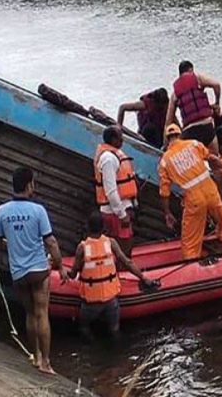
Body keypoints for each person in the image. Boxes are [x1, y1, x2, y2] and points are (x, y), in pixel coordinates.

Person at [0, 167, 68, 375]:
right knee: (42, 313)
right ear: (28, 185)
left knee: (30, 313)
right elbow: (51, 242)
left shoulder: (2, 211)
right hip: (38, 270)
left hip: (18, 273)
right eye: (33, 183)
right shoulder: (38, 211)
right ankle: (46, 362)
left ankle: (34, 356)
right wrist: (60, 266)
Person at [67, 213, 158, 340]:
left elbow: (74, 273)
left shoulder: (82, 248)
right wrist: (143, 278)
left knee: (84, 327)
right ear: (103, 227)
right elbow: (127, 262)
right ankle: (118, 351)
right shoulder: (111, 243)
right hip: (111, 301)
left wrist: (64, 272)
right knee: (114, 330)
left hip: (90, 303)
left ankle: (91, 346)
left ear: (87, 227)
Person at [158, 124, 222, 260]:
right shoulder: (193, 144)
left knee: (190, 239)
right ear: (180, 134)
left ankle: (191, 261)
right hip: (211, 191)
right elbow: (212, 158)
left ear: (167, 139)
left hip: (194, 199)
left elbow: (164, 192)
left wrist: (167, 213)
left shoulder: (165, 161)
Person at [94, 126, 138, 258]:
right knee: (122, 248)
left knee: (126, 245)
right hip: (114, 212)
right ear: (113, 139)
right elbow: (111, 191)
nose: (123, 140)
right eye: (120, 138)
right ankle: (120, 272)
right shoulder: (108, 158)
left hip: (123, 208)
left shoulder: (116, 155)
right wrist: (122, 214)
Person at [165, 61, 222, 154]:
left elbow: (168, 121)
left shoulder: (175, 94)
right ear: (191, 69)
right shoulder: (198, 79)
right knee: (215, 159)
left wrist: (166, 145)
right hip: (206, 126)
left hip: (189, 132)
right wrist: (217, 103)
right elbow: (216, 85)